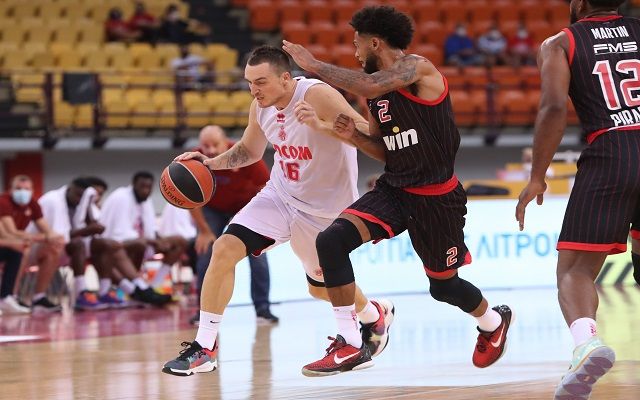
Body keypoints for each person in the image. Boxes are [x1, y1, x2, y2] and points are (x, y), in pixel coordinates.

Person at [283, 5, 513, 376]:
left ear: (375, 42)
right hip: (394, 189)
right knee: (331, 241)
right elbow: (384, 149)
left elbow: (370, 84)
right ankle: (351, 343)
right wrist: (353, 135)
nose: (355, 51)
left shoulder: (418, 69)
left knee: (444, 288)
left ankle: (493, 322)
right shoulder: (375, 94)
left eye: (357, 43)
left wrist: (313, 65)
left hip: (437, 198)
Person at [162, 45, 394, 377]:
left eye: (261, 82)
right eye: (249, 83)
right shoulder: (261, 107)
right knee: (224, 248)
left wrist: (322, 125)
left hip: (323, 211)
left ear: (286, 78)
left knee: (320, 289)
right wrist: (209, 164)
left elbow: (368, 135)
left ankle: (372, 314)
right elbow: (249, 150)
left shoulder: (317, 95)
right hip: (280, 196)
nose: (254, 91)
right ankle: (204, 348)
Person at [515, 1, 632, 398]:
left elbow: (553, 108)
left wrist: (537, 177)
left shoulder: (560, 43)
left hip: (611, 152)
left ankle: (587, 344)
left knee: (574, 270)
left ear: (579, 3)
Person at [188, 125, 278, 325]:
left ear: (225, 142)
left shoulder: (243, 153)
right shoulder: (196, 159)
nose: (210, 150)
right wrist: (203, 231)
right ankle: (203, 313)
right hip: (213, 209)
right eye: (206, 146)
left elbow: (267, 188)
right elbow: (190, 199)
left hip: (246, 207)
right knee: (205, 255)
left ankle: (263, 309)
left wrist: (256, 219)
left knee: (258, 256)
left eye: (215, 144)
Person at [100, 172, 185, 306]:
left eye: (149, 187)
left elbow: (151, 229)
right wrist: (152, 241)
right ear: (134, 184)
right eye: (142, 186)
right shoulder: (121, 197)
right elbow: (120, 234)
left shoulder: (146, 200)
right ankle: (140, 288)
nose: (145, 190)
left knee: (180, 241)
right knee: (140, 244)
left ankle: (154, 286)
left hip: (143, 242)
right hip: (115, 245)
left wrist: (160, 240)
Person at [0, 175, 65, 313]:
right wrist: (40, 238)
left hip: (13, 246)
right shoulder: (3, 202)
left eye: (26, 189)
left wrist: (55, 238)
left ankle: (38, 297)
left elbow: (47, 230)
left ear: (32, 190)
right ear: (10, 190)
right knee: (20, 249)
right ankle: (11, 296)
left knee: (52, 249)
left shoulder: (32, 204)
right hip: (8, 245)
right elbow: (10, 233)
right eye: (18, 188)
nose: (22, 192)